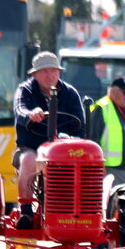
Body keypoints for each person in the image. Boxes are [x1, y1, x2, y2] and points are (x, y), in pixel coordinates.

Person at [13, 51, 86, 228]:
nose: (50, 75)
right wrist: (30, 114)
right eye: (44, 71)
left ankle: (81, 213)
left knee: (85, 161)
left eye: (53, 70)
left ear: (59, 73)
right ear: (35, 74)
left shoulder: (70, 93)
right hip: (30, 147)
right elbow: (19, 109)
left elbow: (80, 125)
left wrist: (74, 139)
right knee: (29, 159)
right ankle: (27, 212)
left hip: (63, 149)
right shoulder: (26, 91)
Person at [87, 77, 125, 186]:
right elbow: (93, 141)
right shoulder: (101, 108)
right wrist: (99, 168)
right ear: (114, 92)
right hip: (112, 171)